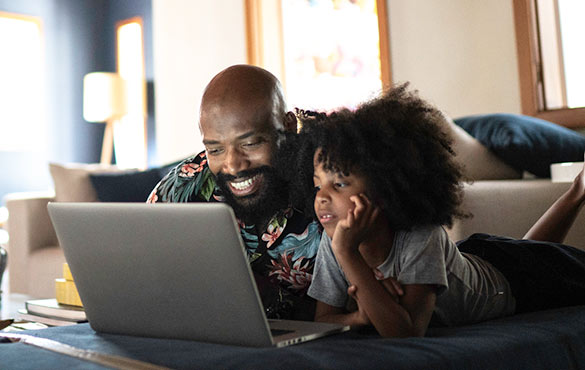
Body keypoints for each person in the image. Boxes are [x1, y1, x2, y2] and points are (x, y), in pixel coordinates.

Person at [295, 84, 585, 337]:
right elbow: (324, 319)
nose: (321, 197)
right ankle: (578, 191)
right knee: (531, 252)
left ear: (386, 187)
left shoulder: (420, 236)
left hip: (510, 284)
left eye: (340, 184)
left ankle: (577, 191)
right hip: (472, 261)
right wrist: (357, 318)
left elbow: (405, 331)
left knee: (543, 263)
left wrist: (347, 254)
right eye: (318, 184)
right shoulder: (332, 242)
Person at [147, 64, 321, 320]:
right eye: (216, 150)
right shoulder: (185, 185)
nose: (233, 165)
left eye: (250, 144)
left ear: (288, 125)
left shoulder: (329, 185)